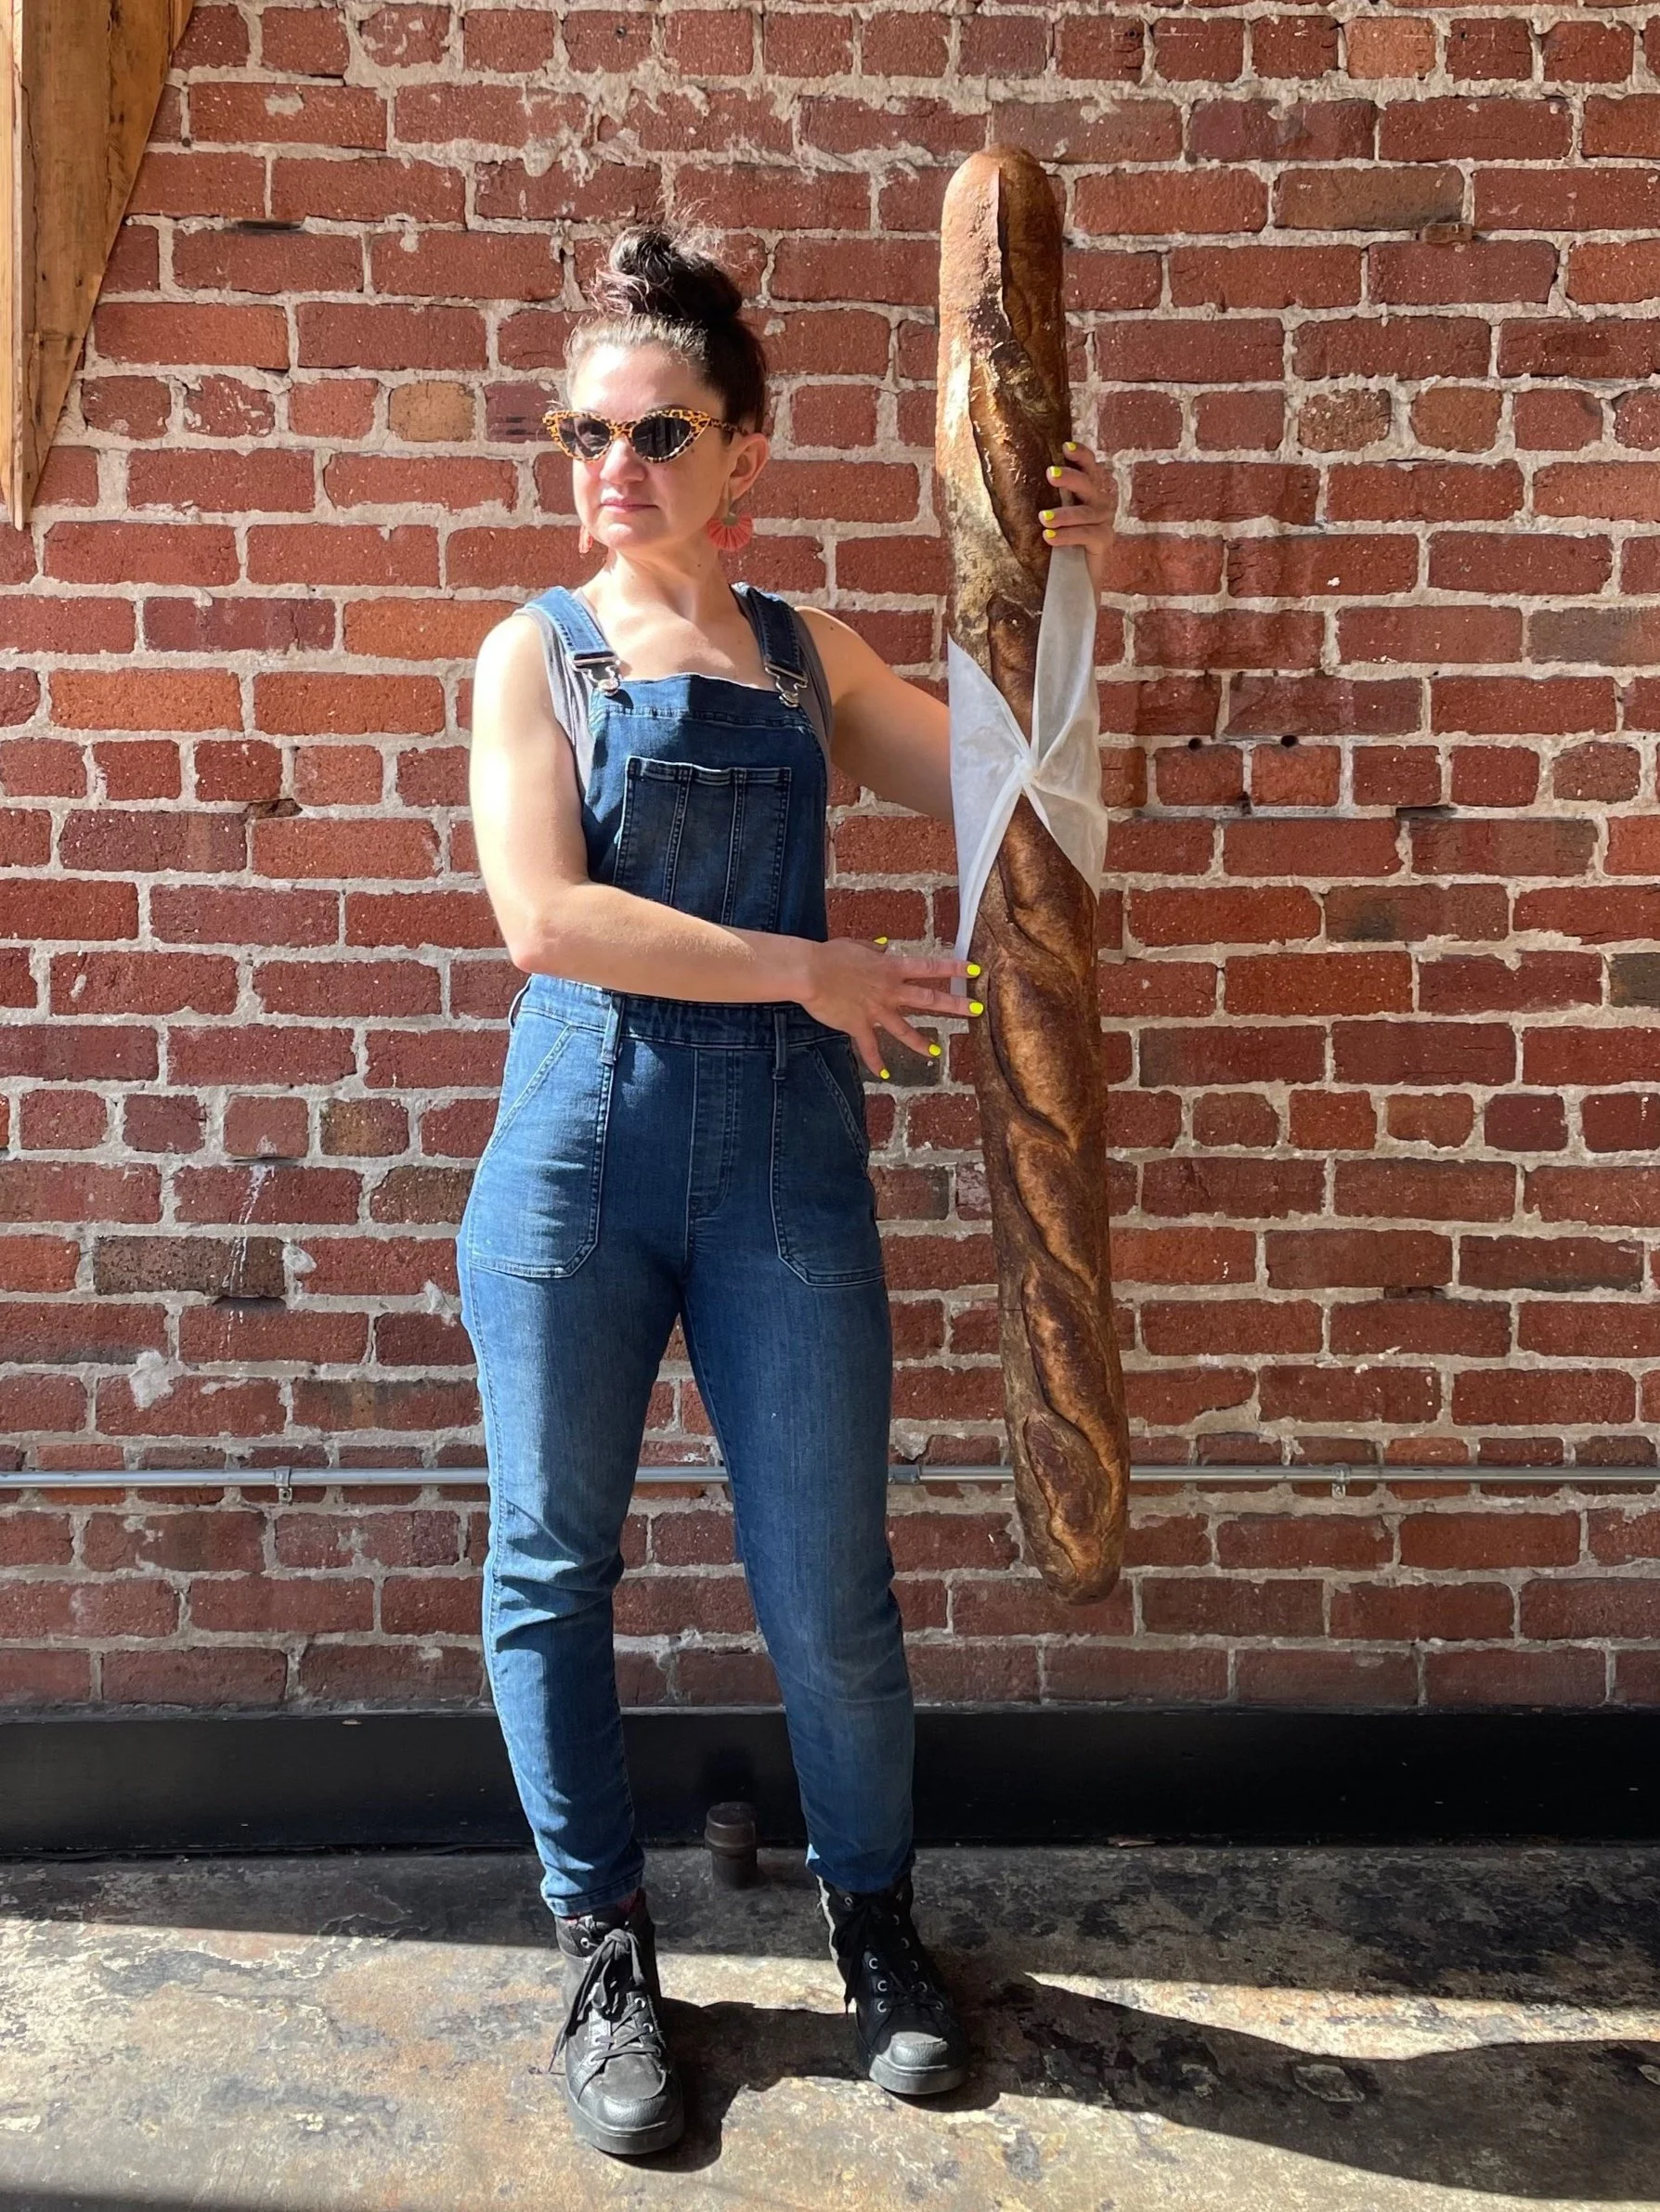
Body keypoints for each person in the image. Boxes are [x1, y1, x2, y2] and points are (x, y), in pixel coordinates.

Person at [459, 219, 1114, 2159]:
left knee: (832, 1587)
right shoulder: (535, 655)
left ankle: (876, 1925)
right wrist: (812, 971)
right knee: (552, 1567)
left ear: (746, 449)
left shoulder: (807, 657)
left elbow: (1019, 779)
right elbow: (544, 919)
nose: (616, 463)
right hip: (577, 1155)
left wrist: (1077, 578)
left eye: (659, 432)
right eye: (588, 431)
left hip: (785, 1173)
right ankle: (603, 1952)